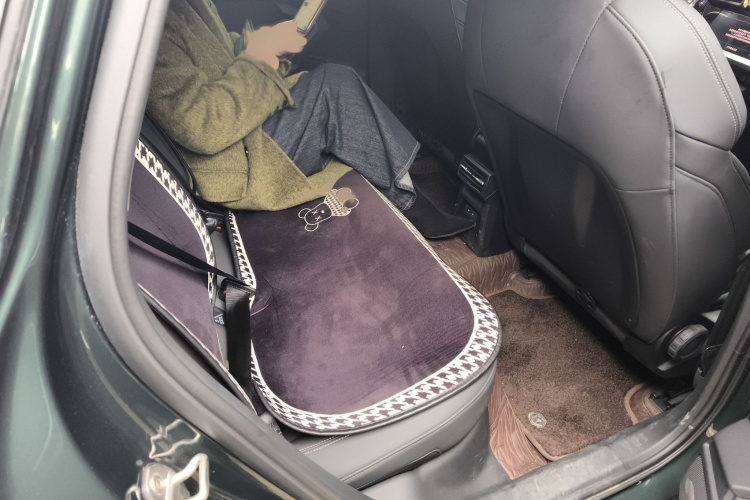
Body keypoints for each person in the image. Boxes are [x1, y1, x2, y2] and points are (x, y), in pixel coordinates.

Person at [147, 0, 419, 212]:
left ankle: (399, 178)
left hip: (239, 129)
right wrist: (259, 58)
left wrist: (260, 42)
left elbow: (216, 51)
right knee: (334, 88)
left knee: (334, 81)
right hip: (229, 165)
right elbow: (200, 126)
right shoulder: (147, 28)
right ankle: (407, 204)